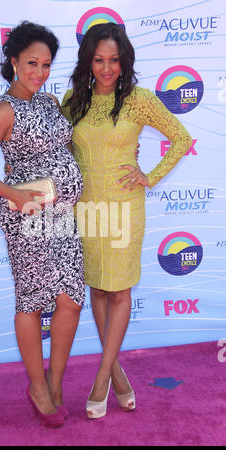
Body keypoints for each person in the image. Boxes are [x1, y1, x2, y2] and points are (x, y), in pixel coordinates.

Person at [61, 22, 192, 419]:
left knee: (118, 292)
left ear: (124, 61)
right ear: (88, 61)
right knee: (97, 292)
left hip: (125, 207)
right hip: (87, 211)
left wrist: (148, 176)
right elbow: (59, 149)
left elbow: (181, 138)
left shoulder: (139, 100)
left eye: (113, 60)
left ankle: (100, 380)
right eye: (98, 60)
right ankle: (117, 374)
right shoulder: (73, 100)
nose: (106, 68)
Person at [0, 21, 85, 427]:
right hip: (28, 220)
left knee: (70, 297)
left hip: (64, 218)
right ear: (13, 61)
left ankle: (55, 377)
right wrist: (14, 194)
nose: (39, 71)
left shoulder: (49, 103)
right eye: (31, 62)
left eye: (47, 64)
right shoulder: (3, 110)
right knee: (32, 301)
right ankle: (37, 385)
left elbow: (62, 152)